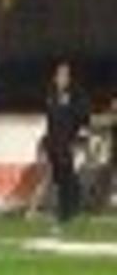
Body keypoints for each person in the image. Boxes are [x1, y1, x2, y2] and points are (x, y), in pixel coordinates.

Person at [41, 61, 91, 231]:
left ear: (69, 77)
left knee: (67, 177)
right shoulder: (51, 94)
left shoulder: (76, 94)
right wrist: (45, 141)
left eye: (63, 75)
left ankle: (67, 212)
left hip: (69, 143)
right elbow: (49, 120)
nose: (60, 78)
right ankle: (65, 210)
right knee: (59, 179)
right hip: (54, 143)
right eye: (58, 75)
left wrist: (79, 137)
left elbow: (84, 115)